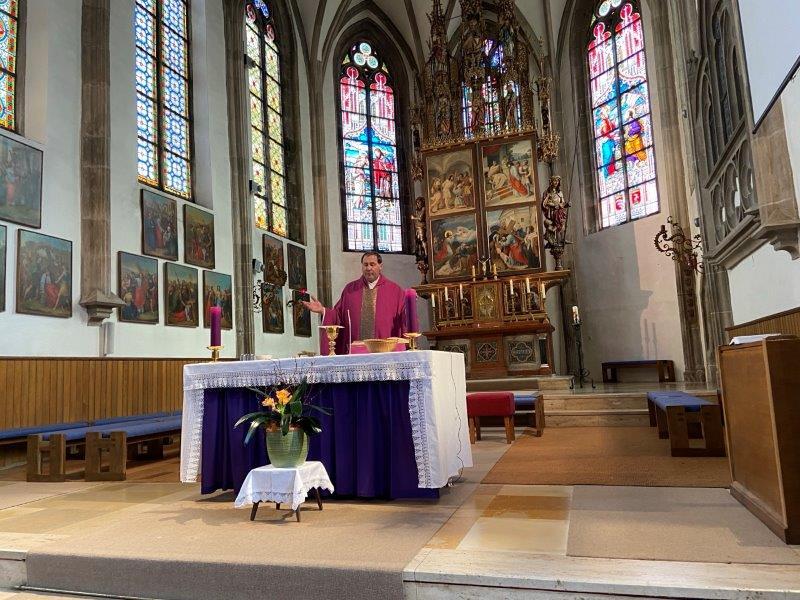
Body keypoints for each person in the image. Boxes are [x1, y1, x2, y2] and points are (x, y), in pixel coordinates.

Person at [302, 252, 407, 355]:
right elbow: (338, 315)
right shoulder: (350, 290)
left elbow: (403, 320)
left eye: (372, 264)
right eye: (365, 264)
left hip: (385, 353)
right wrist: (323, 310)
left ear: (380, 266)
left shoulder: (395, 291)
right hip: (355, 353)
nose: (368, 268)